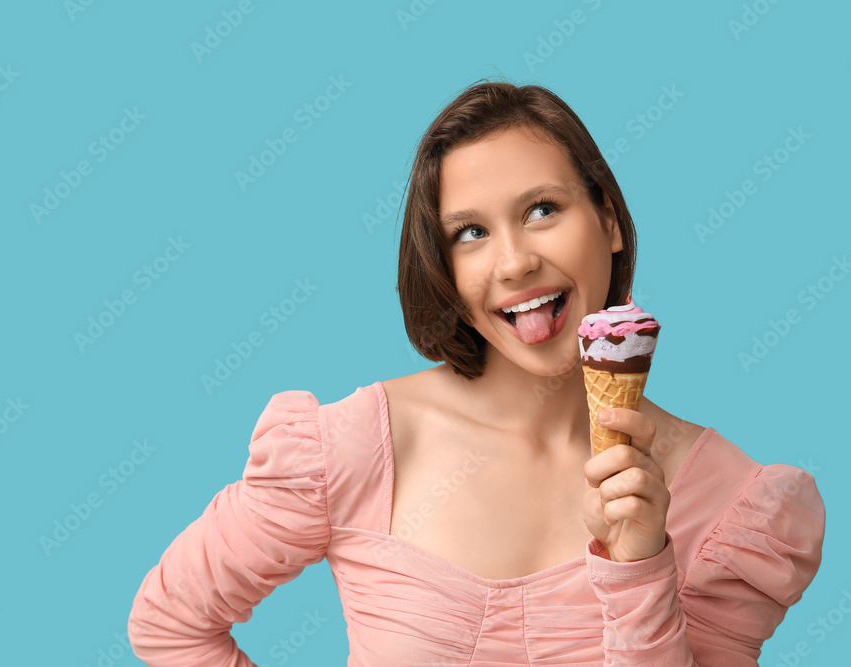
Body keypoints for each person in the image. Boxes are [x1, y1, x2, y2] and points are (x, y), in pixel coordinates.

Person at [127, 81, 825, 665]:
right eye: (471, 232)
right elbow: (171, 622)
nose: (514, 261)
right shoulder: (353, 448)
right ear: (446, 267)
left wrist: (639, 567)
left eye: (543, 209)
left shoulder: (733, 507)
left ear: (607, 219)